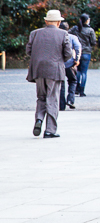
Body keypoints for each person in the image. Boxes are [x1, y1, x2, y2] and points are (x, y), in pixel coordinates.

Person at [26, 10, 74, 138]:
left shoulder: (35, 33)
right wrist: (59, 60)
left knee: (41, 97)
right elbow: (68, 53)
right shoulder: (63, 34)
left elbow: (28, 50)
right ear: (58, 22)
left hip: (38, 70)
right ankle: (50, 130)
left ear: (46, 21)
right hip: (54, 69)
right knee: (52, 98)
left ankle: (39, 119)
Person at [69, 13, 96, 97]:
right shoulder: (90, 30)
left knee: (77, 70)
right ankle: (82, 90)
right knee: (84, 72)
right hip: (86, 52)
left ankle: (76, 87)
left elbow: (67, 34)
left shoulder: (75, 29)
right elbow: (93, 41)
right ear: (87, 21)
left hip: (76, 52)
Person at [58, 21, 80, 111]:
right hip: (70, 63)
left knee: (61, 84)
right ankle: (70, 100)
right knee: (73, 81)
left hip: (59, 63)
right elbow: (78, 48)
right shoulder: (72, 37)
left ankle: (61, 105)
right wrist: (77, 59)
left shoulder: (57, 37)